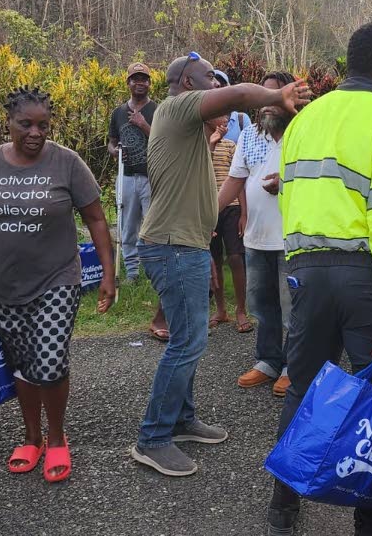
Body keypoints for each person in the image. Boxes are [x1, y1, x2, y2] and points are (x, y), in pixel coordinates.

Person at [265, 22, 372, 536]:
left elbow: (288, 196)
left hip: (306, 271)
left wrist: (300, 268)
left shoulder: (306, 119)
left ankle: (282, 509)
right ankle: (369, 522)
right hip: (365, 278)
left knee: (302, 387)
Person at [131, 51, 310, 478]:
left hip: (183, 244)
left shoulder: (187, 129)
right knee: (187, 342)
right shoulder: (177, 106)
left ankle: (181, 418)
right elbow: (237, 95)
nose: (218, 88)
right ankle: (153, 437)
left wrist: (204, 227)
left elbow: (217, 190)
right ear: (189, 84)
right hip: (172, 247)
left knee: (188, 338)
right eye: (210, 80)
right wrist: (275, 94)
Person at [0, 86, 118, 483]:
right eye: (26, 124)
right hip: (2, 286)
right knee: (23, 366)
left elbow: (97, 219)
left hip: (57, 280)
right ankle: (31, 437)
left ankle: (55, 437)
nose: (35, 132)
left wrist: (108, 273)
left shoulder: (67, 163)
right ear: (9, 123)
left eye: (44, 125)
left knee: (49, 363)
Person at [217, 72, 298, 396]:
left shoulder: (302, 134)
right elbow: (235, 181)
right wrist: (208, 214)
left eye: (275, 96)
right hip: (255, 237)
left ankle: (294, 365)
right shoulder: (249, 135)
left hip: (291, 239)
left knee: (293, 308)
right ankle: (267, 361)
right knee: (263, 305)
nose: (267, 104)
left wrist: (288, 183)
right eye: (263, 97)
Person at [107, 63, 168, 341]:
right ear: (128, 82)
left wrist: (144, 125)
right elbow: (111, 141)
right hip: (128, 176)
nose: (139, 83)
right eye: (135, 79)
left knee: (153, 226)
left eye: (144, 79)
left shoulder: (157, 110)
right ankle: (131, 272)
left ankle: (155, 271)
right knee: (128, 224)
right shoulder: (118, 112)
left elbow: (164, 140)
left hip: (152, 176)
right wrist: (114, 149)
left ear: (149, 83)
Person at [206, 113, 250, 333]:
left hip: (231, 207)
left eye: (225, 116)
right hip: (207, 209)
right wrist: (211, 143)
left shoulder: (231, 146)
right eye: (218, 116)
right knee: (214, 259)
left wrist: (244, 212)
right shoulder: (198, 146)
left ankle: (241, 310)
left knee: (235, 257)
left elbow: (239, 179)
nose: (223, 119)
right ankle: (220, 309)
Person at [213, 70, 253, 143]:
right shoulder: (202, 122)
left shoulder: (241, 120)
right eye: (215, 88)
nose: (219, 92)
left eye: (222, 86)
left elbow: (249, 148)